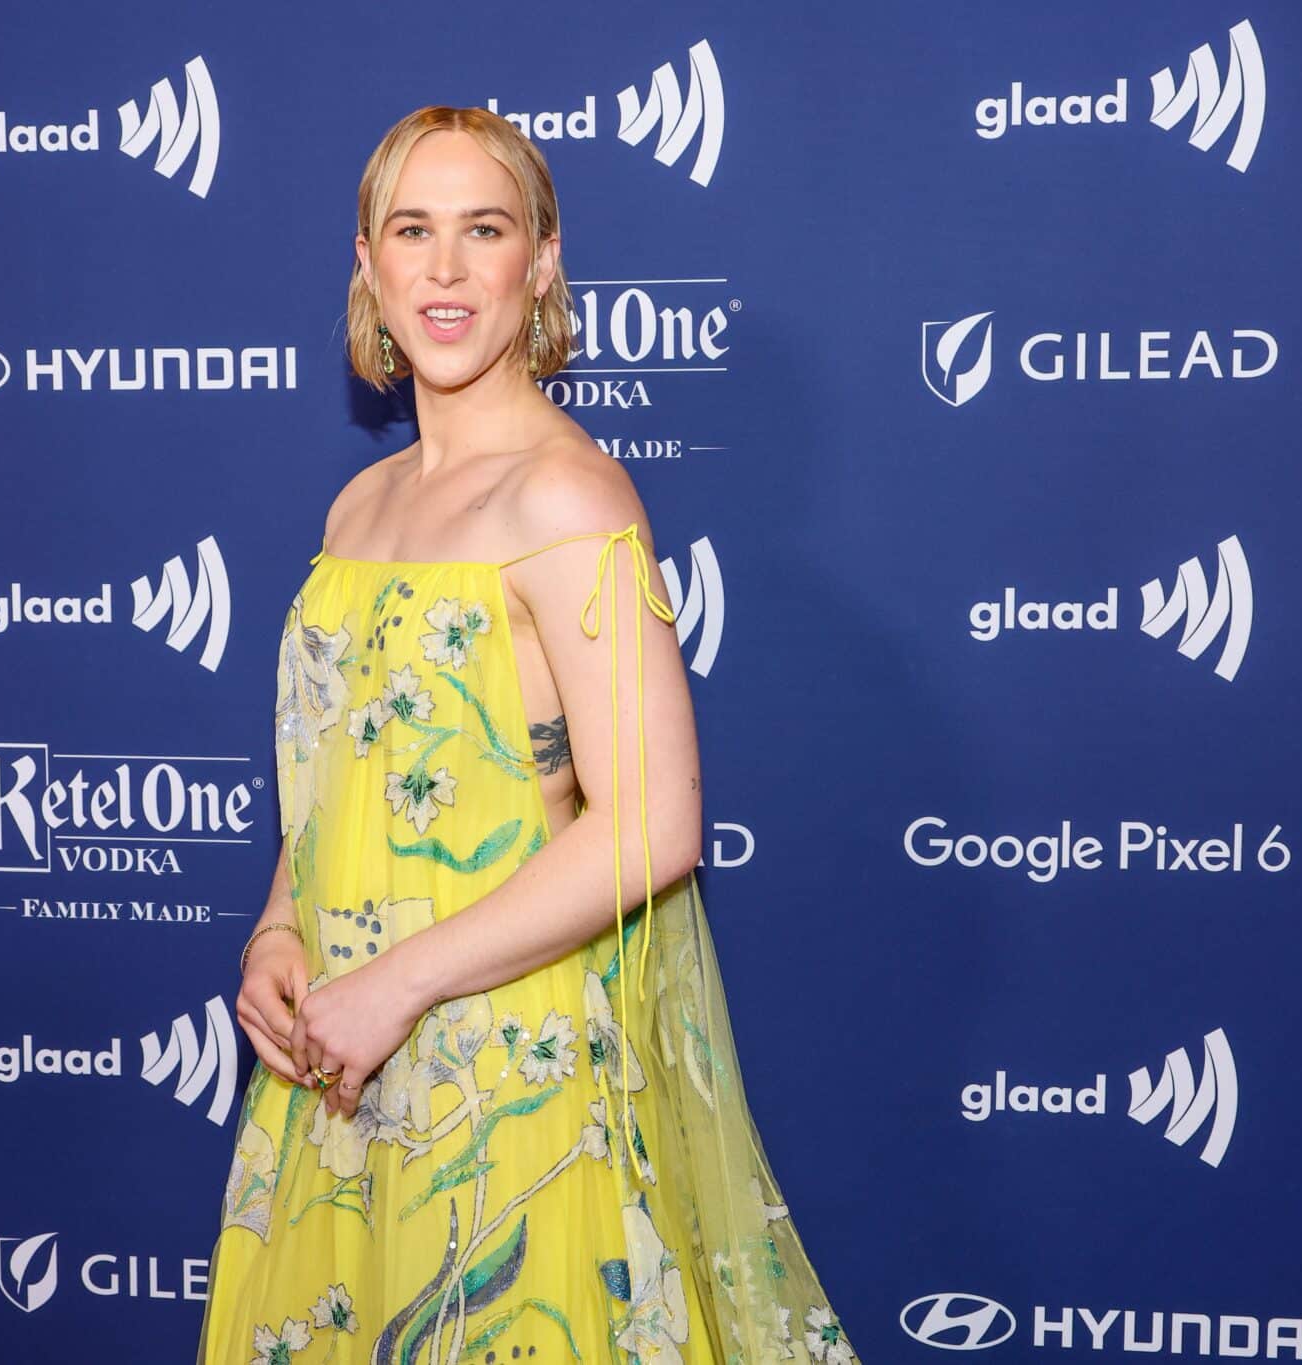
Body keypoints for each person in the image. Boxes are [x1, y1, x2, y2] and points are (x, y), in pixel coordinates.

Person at [197, 106, 858, 1365]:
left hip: (500, 1076)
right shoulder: (360, 503)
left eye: (482, 231)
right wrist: (280, 925)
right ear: (367, 262)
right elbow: (345, 773)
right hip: (335, 1061)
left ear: (540, 263)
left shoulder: (564, 492)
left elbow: (655, 824)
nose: (444, 271)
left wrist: (395, 987)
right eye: (413, 231)